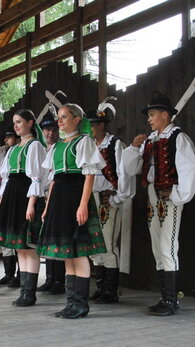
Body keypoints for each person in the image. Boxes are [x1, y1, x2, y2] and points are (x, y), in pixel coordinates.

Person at [122, 91, 195, 316]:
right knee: (158, 247)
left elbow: (191, 167)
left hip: (169, 197)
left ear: (165, 115)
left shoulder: (178, 137)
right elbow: (132, 169)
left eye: (153, 114)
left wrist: (178, 194)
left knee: (168, 245)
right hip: (152, 195)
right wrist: (133, 148)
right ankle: (164, 298)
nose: (149, 118)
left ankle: (171, 300)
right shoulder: (150, 140)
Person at [39, 103, 106, 319]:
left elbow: (89, 175)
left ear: (77, 119)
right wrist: (48, 207)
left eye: (64, 117)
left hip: (76, 197)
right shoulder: (57, 146)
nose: (59, 121)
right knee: (68, 254)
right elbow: (54, 181)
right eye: (59, 117)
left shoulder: (84, 141)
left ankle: (81, 304)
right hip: (59, 200)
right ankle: (71, 303)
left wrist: (83, 204)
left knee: (80, 253)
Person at [0, 110, 47, 306]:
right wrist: (1, 205)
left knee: (28, 246)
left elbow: (37, 178)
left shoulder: (35, 146)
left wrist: (32, 204)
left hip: (25, 195)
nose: (16, 126)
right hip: (12, 195)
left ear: (30, 123)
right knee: (19, 248)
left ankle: (29, 293)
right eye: (14, 122)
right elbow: (6, 178)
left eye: (19, 122)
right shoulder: (14, 149)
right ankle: (24, 290)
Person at [85, 97, 136, 304]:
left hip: (108, 200)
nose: (91, 128)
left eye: (94, 124)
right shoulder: (87, 146)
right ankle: (100, 286)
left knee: (107, 245)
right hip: (91, 199)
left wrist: (117, 197)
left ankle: (111, 290)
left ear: (102, 125)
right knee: (94, 246)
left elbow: (124, 174)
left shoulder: (115, 145)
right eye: (88, 124)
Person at [37, 118, 66, 295]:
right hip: (45, 196)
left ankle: (59, 280)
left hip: (58, 195)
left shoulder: (61, 148)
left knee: (58, 238)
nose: (49, 133)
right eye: (46, 130)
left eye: (52, 130)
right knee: (48, 238)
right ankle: (49, 278)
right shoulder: (43, 150)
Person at [0, 130, 20, 287]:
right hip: (4, 195)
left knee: (17, 236)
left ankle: (20, 275)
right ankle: (9, 273)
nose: (6, 140)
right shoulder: (6, 154)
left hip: (17, 195)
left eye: (9, 137)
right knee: (5, 235)